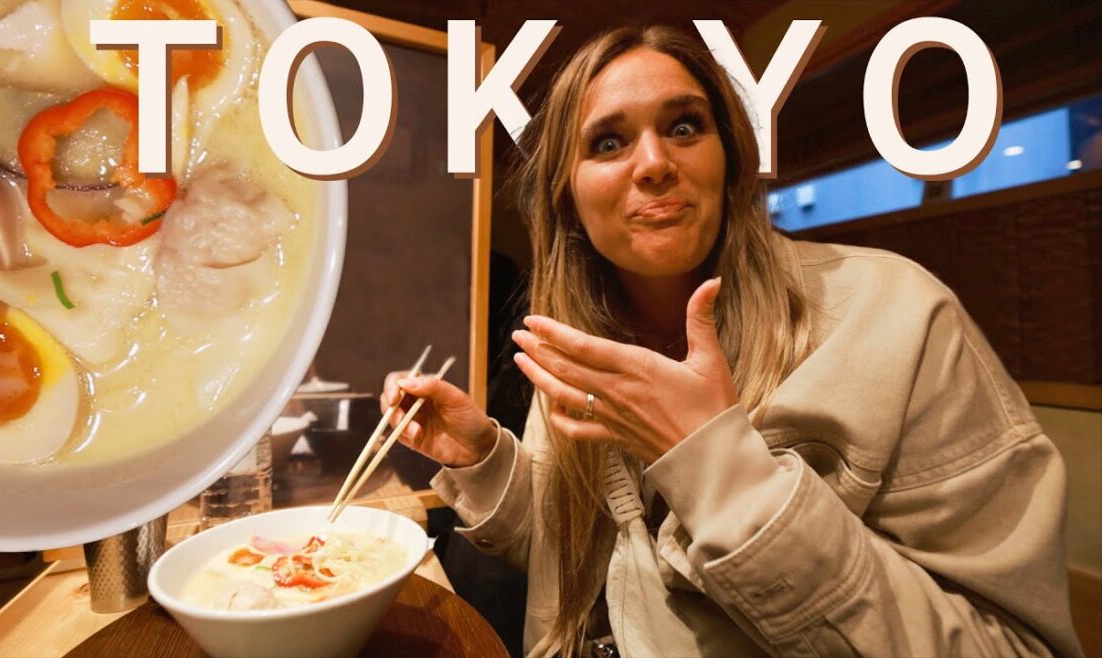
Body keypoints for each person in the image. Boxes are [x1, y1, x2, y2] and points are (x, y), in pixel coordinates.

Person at [380, 25, 1082, 658]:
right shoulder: (577, 339)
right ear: (568, 195)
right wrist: (484, 458)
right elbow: (574, 561)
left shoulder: (898, 315)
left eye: (685, 127)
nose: (654, 163)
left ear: (731, 159)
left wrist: (719, 470)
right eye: (608, 142)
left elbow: (1015, 646)